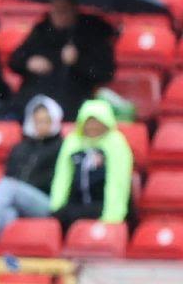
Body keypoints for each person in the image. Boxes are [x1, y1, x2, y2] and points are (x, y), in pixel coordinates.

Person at [8, 0, 117, 116]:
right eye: (55, 10)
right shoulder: (41, 31)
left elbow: (105, 73)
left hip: (73, 100)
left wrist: (78, 61)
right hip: (34, 99)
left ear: (74, 10)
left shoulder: (92, 34)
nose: (59, 15)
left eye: (64, 10)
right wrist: (29, 62)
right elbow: (14, 60)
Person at [0, 95, 66, 231]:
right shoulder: (20, 147)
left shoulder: (61, 147)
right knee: (6, 215)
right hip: (19, 201)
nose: (41, 126)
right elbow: (9, 172)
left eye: (46, 121)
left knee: (9, 186)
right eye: (38, 121)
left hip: (46, 202)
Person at [48, 98, 135, 228]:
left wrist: (112, 218)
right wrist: (56, 207)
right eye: (88, 122)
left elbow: (118, 182)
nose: (92, 126)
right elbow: (62, 176)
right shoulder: (73, 142)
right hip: (78, 205)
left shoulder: (116, 143)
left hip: (103, 205)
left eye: (97, 122)